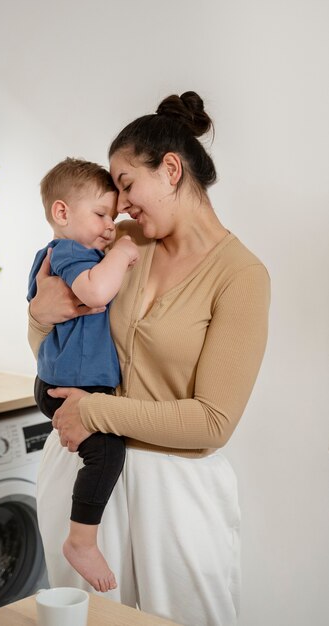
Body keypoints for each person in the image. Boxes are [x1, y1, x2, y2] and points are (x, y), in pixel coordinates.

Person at [28, 92, 270, 626]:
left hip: (176, 489)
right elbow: (55, 345)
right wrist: (39, 316)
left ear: (172, 170)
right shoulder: (121, 243)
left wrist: (96, 411)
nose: (119, 203)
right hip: (82, 468)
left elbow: (213, 420)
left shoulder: (241, 276)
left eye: (127, 183)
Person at [27, 158, 139, 592]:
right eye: (101, 215)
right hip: (69, 387)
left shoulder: (71, 253)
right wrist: (125, 253)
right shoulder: (71, 253)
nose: (110, 226)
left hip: (63, 382)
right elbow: (93, 292)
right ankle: (81, 541)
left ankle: (81, 539)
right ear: (62, 213)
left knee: (104, 453)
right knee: (107, 453)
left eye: (113, 217)